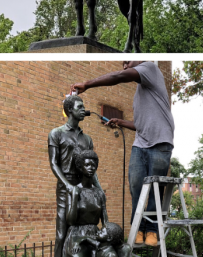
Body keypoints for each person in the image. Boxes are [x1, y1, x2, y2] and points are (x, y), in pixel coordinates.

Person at [71, 61, 174, 247]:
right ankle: (138, 229)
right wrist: (121, 121)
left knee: (154, 189)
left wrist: (87, 84)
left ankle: (152, 231)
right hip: (140, 143)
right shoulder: (140, 94)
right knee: (136, 188)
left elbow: (118, 77)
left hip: (160, 142)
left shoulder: (150, 68)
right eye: (123, 63)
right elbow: (140, 125)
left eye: (128, 62)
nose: (125, 66)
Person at [49, 95, 102, 257]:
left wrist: (99, 189)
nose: (83, 110)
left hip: (84, 188)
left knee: (84, 233)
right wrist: (68, 186)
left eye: (83, 107)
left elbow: (92, 168)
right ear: (69, 110)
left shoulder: (87, 139)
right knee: (61, 234)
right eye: (80, 107)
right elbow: (53, 163)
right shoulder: (56, 133)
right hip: (66, 188)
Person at [64, 150, 109, 257]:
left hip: (95, 234)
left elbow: (105, 220)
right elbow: (70, 221)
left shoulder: (99, 193)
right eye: (87, 165)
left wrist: (108, 235)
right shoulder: (73, 191)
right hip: (77, 235)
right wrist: (75, 196)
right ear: (81, 167)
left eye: (93, 165)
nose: (91, 168)